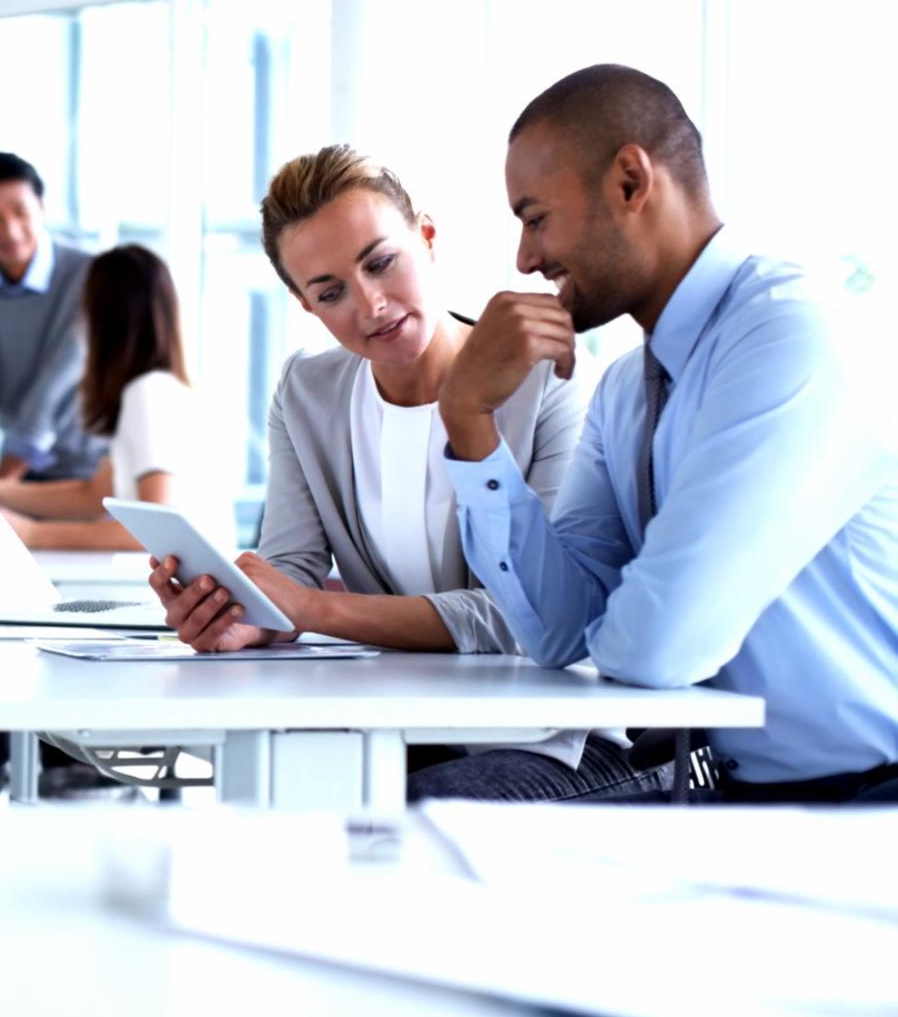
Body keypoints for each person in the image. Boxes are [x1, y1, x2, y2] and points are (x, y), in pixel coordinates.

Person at [433, 63, 898, 805]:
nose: (524, 258)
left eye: (535, 216)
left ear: (628, 181)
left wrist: (617, 619)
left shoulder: (789, 336)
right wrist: (467, 420)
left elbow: (656, 647)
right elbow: (558, 631)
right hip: (750, 802)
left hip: (871, 810)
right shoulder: (624, 389)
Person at [150, 144, 663, 802]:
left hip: (564, 739)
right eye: (330, 291)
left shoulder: (552, 381)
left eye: (381, 263)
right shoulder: (309, 390)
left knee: (380, 816)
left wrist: (312, 607)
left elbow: (531, 617)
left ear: (426, 237)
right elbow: (290, 570)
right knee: (265, 793)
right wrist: (243, 611)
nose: (370, 306)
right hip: (408, 728)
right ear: (305, 305)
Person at [0, 244, 233, 551]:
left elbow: (154, 531)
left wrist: (32, 533)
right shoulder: (163, 388)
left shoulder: (148, 394)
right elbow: (93, 495)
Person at [0, 151, 105, 482]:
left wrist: (0, 483)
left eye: (20, 212)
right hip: (24, 472)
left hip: (94, 468)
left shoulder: (91, 276)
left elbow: (59, 379)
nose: (11, 231)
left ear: (41, 208)